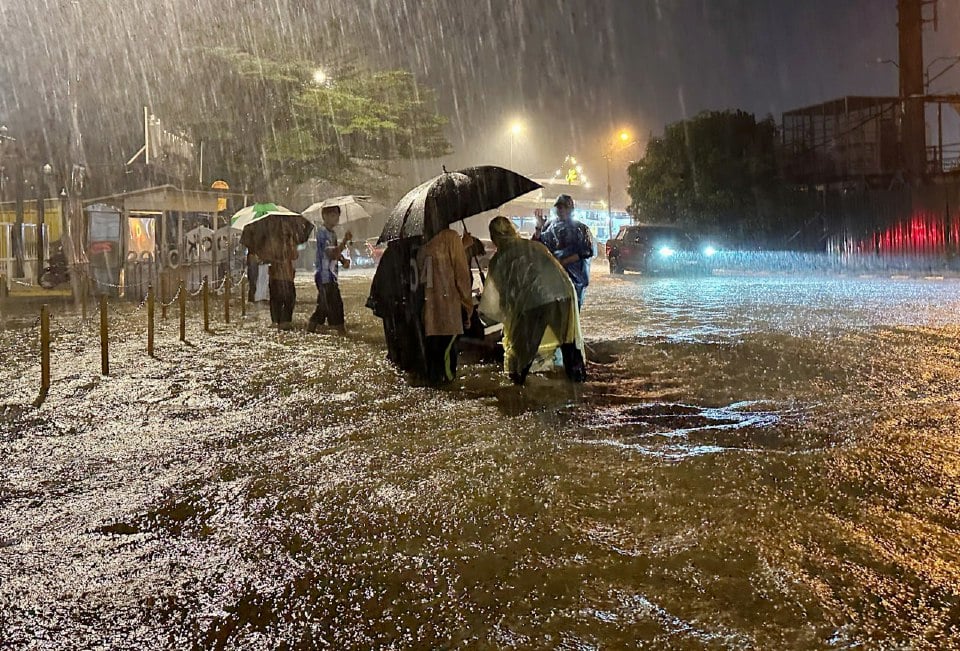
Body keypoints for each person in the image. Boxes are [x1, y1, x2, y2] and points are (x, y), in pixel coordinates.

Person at [480, 216, 587, 386]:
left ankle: (516, 388)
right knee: (568, 343)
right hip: (563, 295)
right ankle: (579, 384)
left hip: (533, 303)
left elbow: (503, 298)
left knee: (522, 349)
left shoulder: (499, 260)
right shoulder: (534, 246)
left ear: (494, 237)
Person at [417, 227, 474, 385]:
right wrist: (467, 308)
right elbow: (461, 277)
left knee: (435, 360)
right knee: (447, 366)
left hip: (430, 314)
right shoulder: (451, 237)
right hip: (449, 312)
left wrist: (462, 246)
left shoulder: (423, 243)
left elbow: (435, 265)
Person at [538, 194, 594, 308]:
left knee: (571, 309)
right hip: (554, 278)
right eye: (559, 207)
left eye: (564, 207)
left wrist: (564, 262)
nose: (561, 210)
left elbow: (587, 251)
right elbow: (540, 246)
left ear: (570, 209)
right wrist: (539, 228)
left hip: (575, 279)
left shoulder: (580, 228)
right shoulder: (549, 227)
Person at [308, 205, 352, 334]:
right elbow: (331, 253)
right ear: (324, 216)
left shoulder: (333, 234)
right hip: (324, 276)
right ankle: (340, 332)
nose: (336, 218)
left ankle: (313, 330)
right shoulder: (322, 233)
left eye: (337, 215)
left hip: (332, 276)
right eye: (333, 215)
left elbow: (336, 253)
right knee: (330, 306)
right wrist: (345, 240)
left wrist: (343, 261)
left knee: (327, 307)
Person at [267, 235, 298, 330]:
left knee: (277, 300)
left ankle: (277, 321)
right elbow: (295, 255)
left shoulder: (272, 241)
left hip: (278, 276)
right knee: (287, 299)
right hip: (284, 276)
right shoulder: (287, 242)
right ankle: (283, 321)